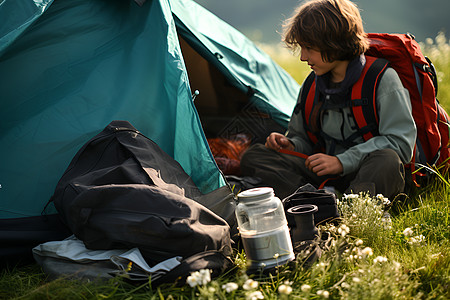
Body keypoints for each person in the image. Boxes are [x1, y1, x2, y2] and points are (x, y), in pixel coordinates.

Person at [240, 0, 417, 200]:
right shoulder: (312, 85)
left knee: (387, 161)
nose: (303, 57)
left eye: (309, 48)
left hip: (366, 170)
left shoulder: (382, 79)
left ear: (334, 43)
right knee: (255, 156)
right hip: (323, 174)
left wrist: (342, 162)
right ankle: (317, 200)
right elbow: (303, 139)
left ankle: (351, 210)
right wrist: (290, 145)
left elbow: (400, 143)